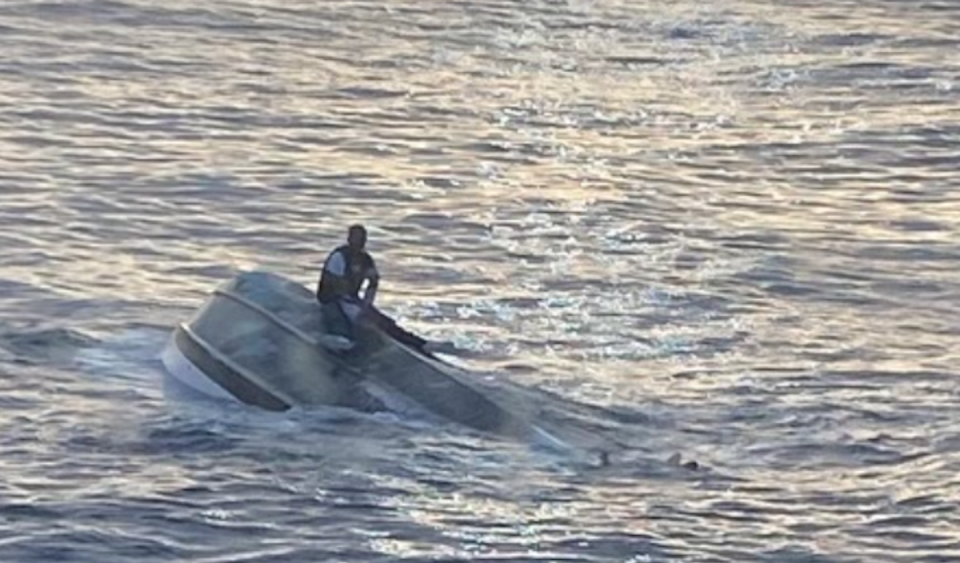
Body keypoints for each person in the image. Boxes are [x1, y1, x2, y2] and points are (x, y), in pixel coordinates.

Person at [316, 224, 456, 356]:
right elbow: (334, 283)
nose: (359, 242)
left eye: (362, 239)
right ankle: (339, 339)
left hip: (352, 299)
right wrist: (355, 309)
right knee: (339, 318)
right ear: (349, 239)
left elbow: (373, 281)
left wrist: (367, 303)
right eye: (356, 238)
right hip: (331, 298)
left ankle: (421, 343)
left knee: (384, 322)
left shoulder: (366, 259)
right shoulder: (339, 256)